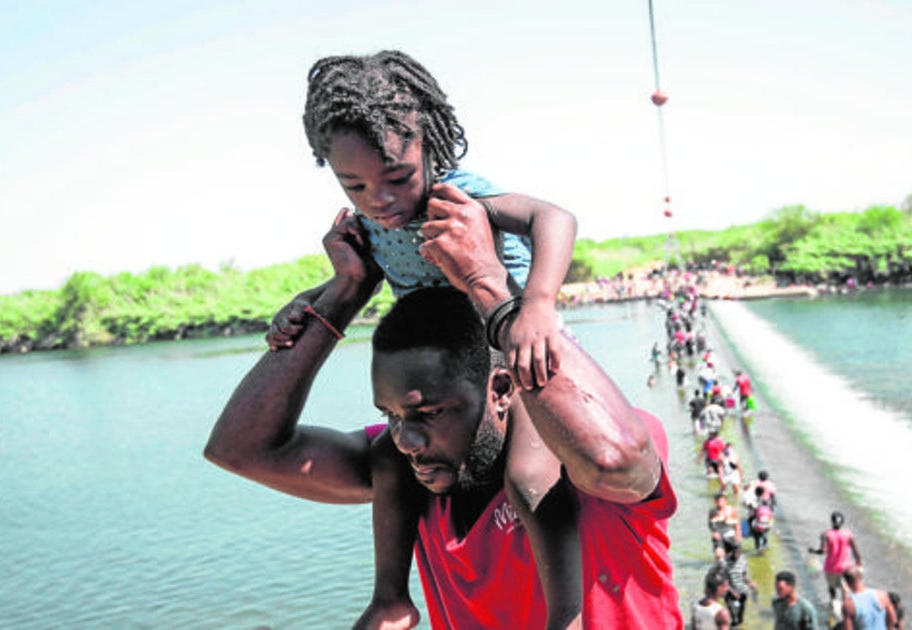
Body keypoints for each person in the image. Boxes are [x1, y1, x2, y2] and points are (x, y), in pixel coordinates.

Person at [206, 197, 682, 628]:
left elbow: (611, 459)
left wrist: (489, 285)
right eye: (392, 416)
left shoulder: (592, 452)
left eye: (430, 412)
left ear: (499, 389)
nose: (407, 440)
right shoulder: (412, 476)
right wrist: (345, 293)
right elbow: (241, 448)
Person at [270, 49, 579, 628]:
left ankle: (567, 614)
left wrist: (537, 305)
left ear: (430, 148)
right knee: (391, 457)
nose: (379, 200)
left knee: (529, 475)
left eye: (397, 177)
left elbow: (553, 218)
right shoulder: (369, 225)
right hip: (444, 371)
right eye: (354, 184)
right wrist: (308, 303)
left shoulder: (457, 198)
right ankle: (390, 598)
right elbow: (363, 272)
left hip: (507, 360)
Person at [809, 510, 863, 622]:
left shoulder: (826, 534)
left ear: (831, 521)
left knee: (832, 588)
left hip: (830, 568)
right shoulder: (848, 534)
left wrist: (813, 551)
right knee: (845, 590)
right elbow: (855, 549)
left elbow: (823, 551)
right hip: (845, 568)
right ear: (842, 522)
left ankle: (833, 606)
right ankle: (846, 613)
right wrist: (858, 561)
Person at [717, 540, 757, 626]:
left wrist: (750, 583)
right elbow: (723, 580)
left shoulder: (743, 561)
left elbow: (743, 576)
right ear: (731, 551)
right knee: (734, 618)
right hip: (729, 592)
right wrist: (732, 591)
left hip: (742, 591)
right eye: (735, 552)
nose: (737, 554)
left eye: (739, 552)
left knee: (740, 619)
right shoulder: (724, 562)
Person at [708, 492, 741, 561]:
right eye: (718, 501)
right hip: (719, 536)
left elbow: (737, 524)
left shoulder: (732, 510)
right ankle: (720, 565)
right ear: (715, 502)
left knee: (735, 556)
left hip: (730, 535)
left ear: (726, 501)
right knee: (719, 555)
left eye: (722, 500)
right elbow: (710, 524)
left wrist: (738, 535)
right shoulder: (712, 511)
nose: (720, 503)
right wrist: (714, 532)